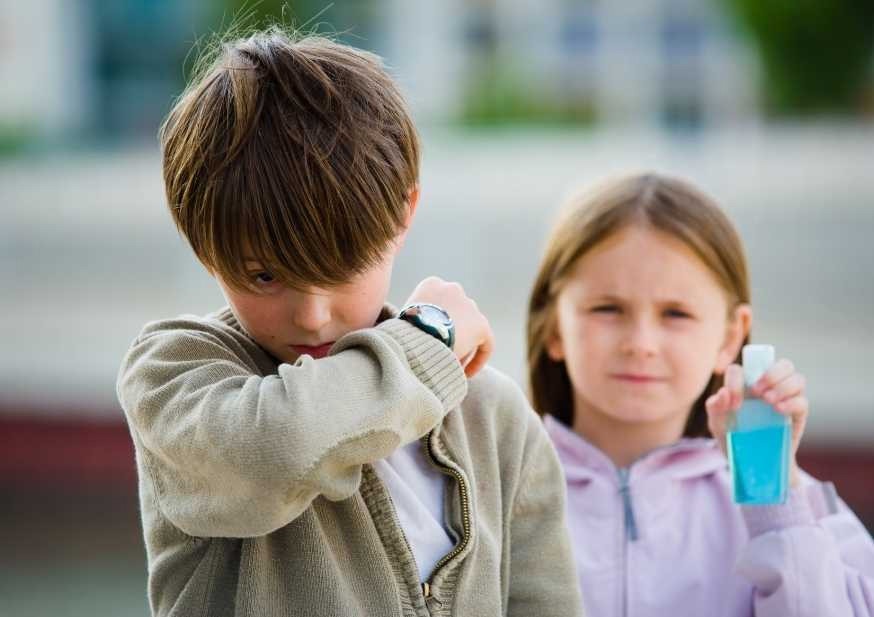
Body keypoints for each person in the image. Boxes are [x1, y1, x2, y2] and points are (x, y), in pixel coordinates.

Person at [117, 28, 581, 617]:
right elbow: (276, 449)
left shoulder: (491, 416)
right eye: (264, 277)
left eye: (341, 269)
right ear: (205, 248)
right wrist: (430, 333)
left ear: (403, 213)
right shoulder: (173, 372)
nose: (312, 316)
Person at [525, 172, 874, 616]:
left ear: (731, 338)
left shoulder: (794, 504)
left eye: (676, 313)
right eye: (607, 309)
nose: (641, 342)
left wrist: (771, 494)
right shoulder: (495, 487)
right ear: (554, 326)